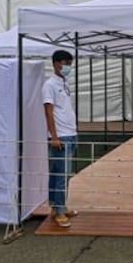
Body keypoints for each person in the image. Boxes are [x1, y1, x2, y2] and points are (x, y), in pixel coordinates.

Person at [42, 50, 79, 228]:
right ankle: (59, 211)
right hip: (61, 136)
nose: (68, 67)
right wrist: (54, 136)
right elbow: (48, 112)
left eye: (70, 63)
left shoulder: (64, 82)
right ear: (56, 63)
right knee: (60, 174)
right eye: (65, 63)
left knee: (64, 173)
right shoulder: (49, 85)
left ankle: (58, 207)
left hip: (70, 133)